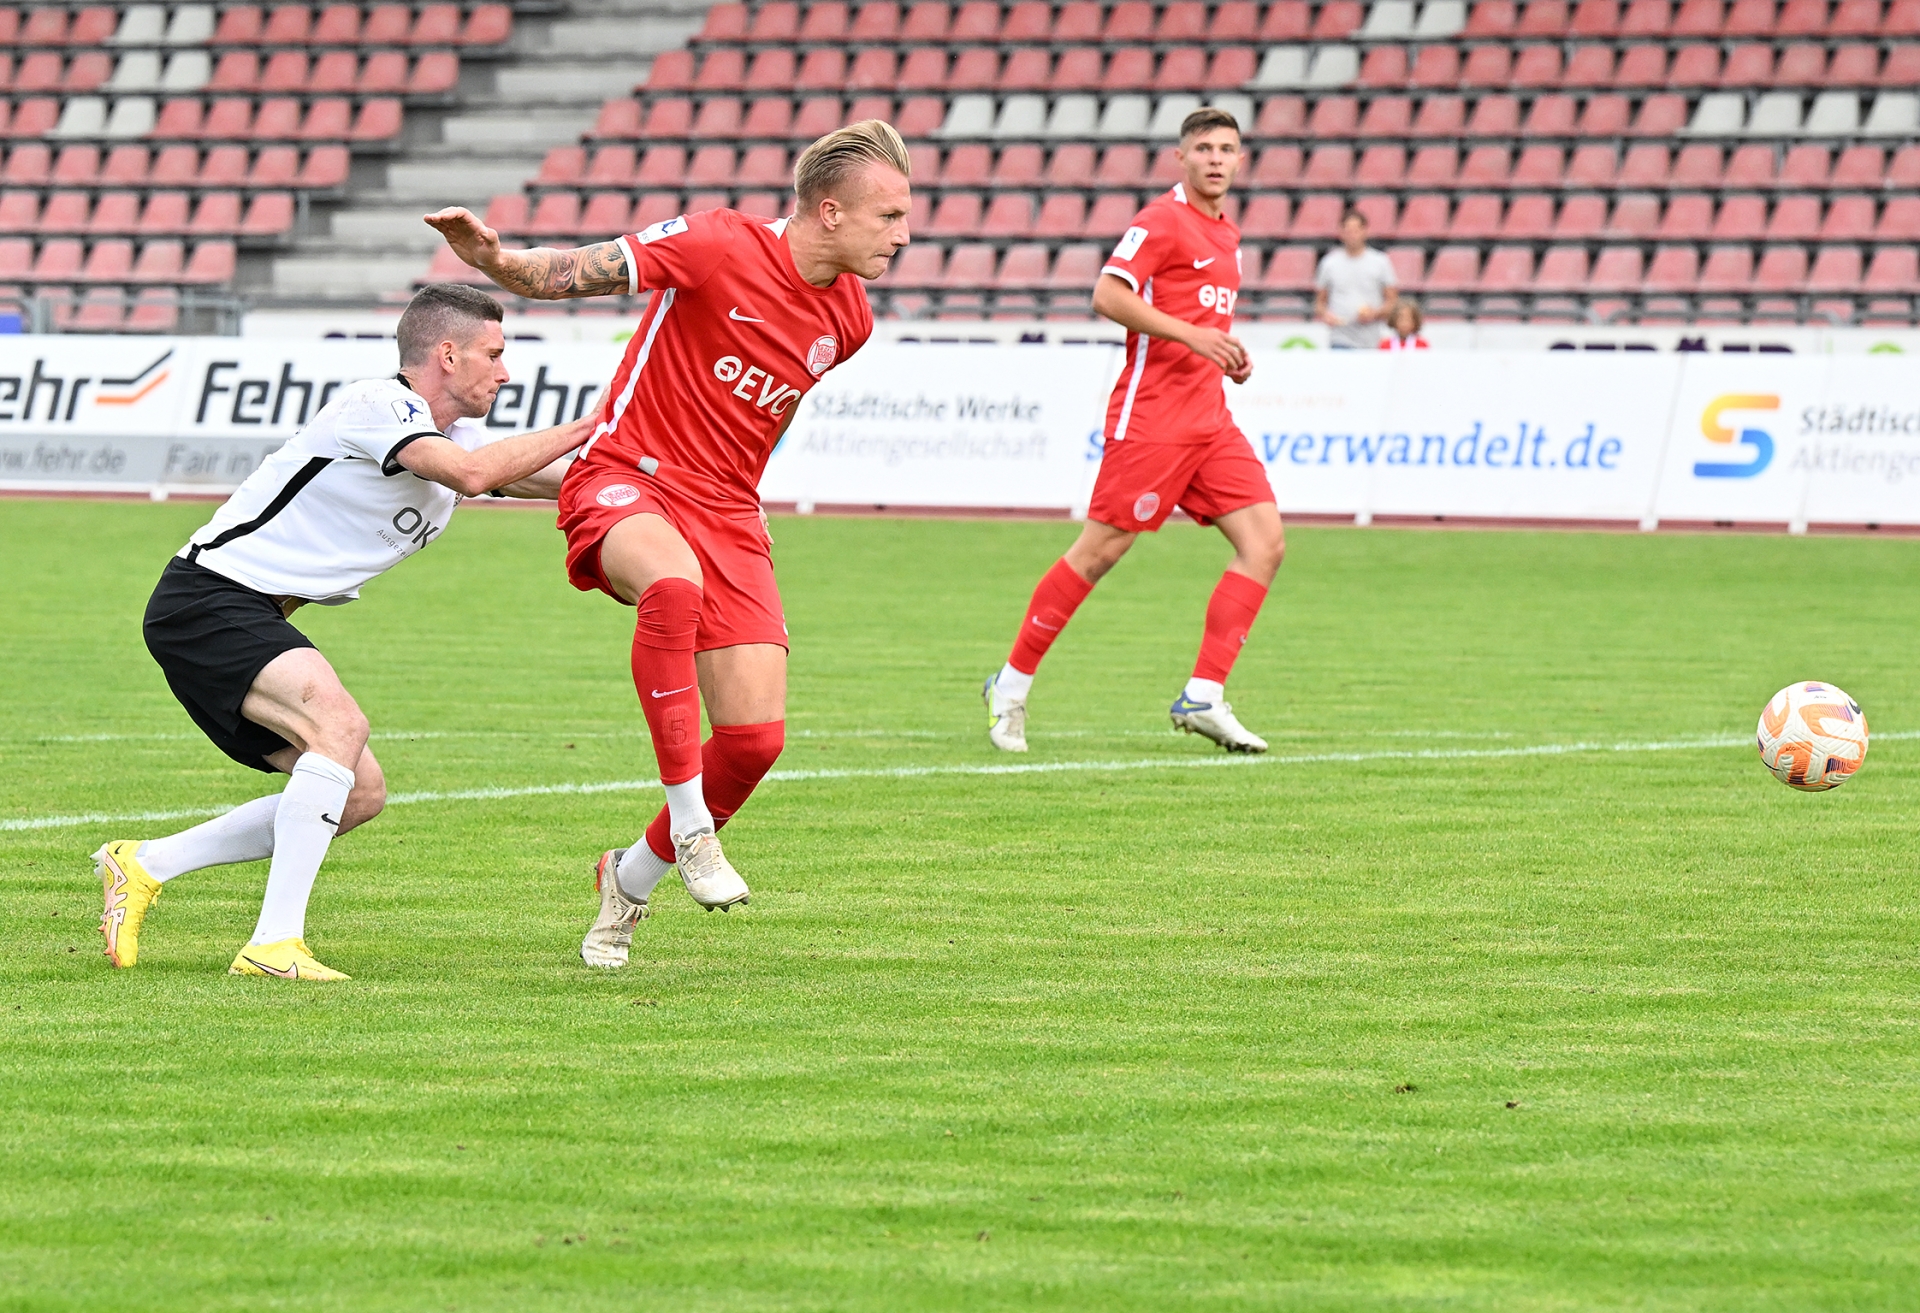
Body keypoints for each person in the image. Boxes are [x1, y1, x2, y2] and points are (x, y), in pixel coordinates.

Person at [423, 121, 911, 970]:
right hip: (629, 474)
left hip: (728, 509)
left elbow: (770, 406)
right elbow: (569, 274)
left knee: (754, 742)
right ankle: (690, 825)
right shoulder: (717, 243)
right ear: (830, 211)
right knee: (672, 586)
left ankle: (628, 879)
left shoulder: (851, 318)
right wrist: (496, 260)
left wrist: (743, 500)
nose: (903, 235)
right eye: (891, 216)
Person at [97, 284, 591, 981]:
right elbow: (476, 475)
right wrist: (595, 420)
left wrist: (668, 478)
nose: (505, 372)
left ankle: (145, 862)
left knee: (358, 793)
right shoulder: (378, 405)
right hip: (209, 600)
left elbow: (565, 481)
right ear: (448, 355)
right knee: (340, 726)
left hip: (245, 614)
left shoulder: (456, 441)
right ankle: (273, 945)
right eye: (494, 354)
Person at [981, 107, 1282, 756]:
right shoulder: (1162, 221)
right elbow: (1108, 295)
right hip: (1152, 420)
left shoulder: (1227, 233)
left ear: (1240, 159)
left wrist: (1225, 354)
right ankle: (1009, 685)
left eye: (1226, 149)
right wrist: (1195, 337)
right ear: (1182, 157)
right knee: (1098, 553)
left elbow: (1202, 325)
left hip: (1210, 421)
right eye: (1203, 148)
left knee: (1265, 543)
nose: (1215, 159)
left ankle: (1204, 694)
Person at [1315, 210, 1398, 350]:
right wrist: (1326, 315)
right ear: (1341, 232)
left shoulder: (1380, 262)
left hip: (1371, 340)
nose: (1352, 235)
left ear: (1365, 231)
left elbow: (1392, 301)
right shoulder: (1329, 263)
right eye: (1348, 231)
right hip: (1340, 338)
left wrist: (1375, 313)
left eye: (1356, 230)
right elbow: (1319, 302)